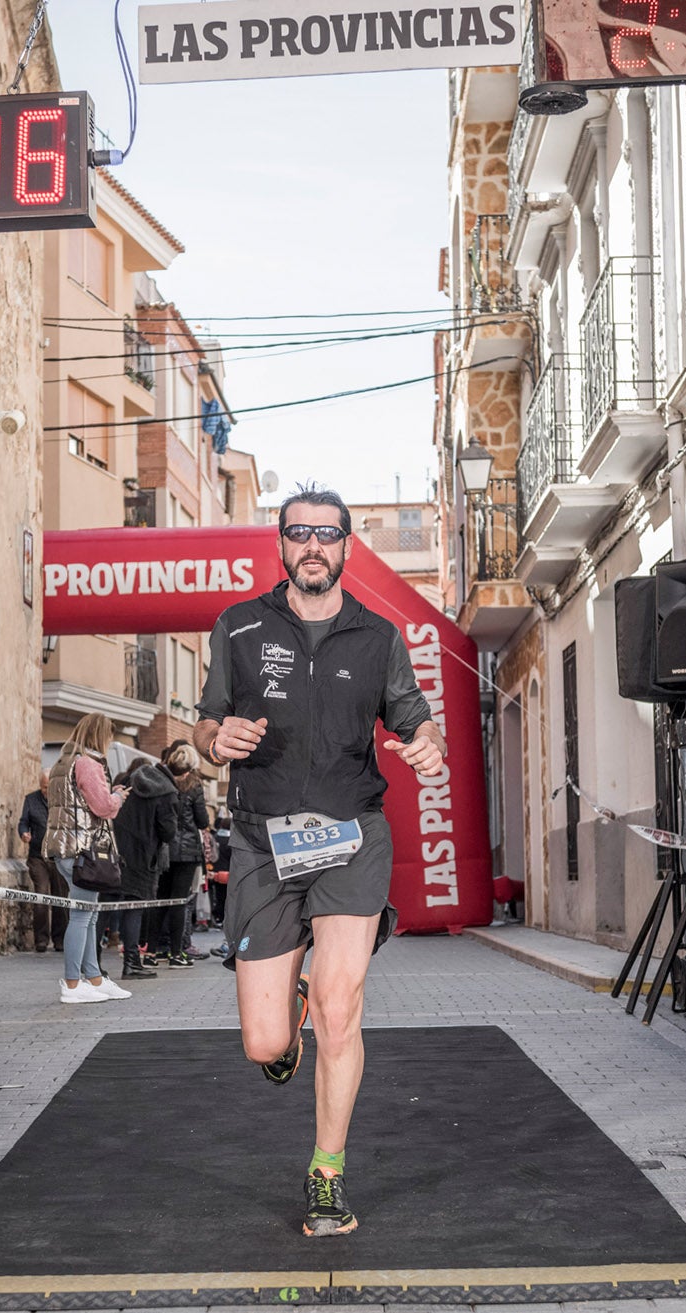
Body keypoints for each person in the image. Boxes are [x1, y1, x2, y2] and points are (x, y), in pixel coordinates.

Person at [193, 484, 445, 1238]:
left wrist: (426, 745)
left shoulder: (377, 636)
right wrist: (215, 741)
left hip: (350, 840)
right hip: (262, 843)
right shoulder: (238, 627)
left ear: (345, 547)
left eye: (327, 535)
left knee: (343, 1012)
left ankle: (327, 1171)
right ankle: (289, 1009)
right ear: (280, 544)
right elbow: (204, 719)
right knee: (265, 1042)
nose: (313, 546)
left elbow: (414, 718)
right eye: (299, 532)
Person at [43, 713, 133, 1004]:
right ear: (101, 736)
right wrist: (118, 796)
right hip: (83, 851)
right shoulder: (88, 764)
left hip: (63, 847)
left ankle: (93, 978)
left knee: (87, 915)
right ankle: (72, 983)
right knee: (82, 917)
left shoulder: (62, 763)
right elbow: (103, 806)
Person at [107, 757, 179, 980]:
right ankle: (131, 963)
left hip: (115, 853)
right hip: (144, 857)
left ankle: (90, 966)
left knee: (102, 909)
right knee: (134, 909)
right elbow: (168, 832)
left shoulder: (129, 782)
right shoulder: (167, 792)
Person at [157, 742, 213, 966]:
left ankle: (154, 949)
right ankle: (176, 951)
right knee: (180, 902)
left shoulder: (162, 782)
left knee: (161, 900)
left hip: (164, 849)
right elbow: (203, 821)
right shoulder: (194, 786)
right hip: (188, 851)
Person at [18, 770, 66, 953]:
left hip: (58, 857)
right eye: (43, 787)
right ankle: (41, 940)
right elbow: (23, 822)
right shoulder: (31, 800)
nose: (46, 791)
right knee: (41, 895)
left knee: (60, 898)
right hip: (38, 856)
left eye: (48, 787)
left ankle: (59, 939)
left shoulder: (63, 801)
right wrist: (24, 833)